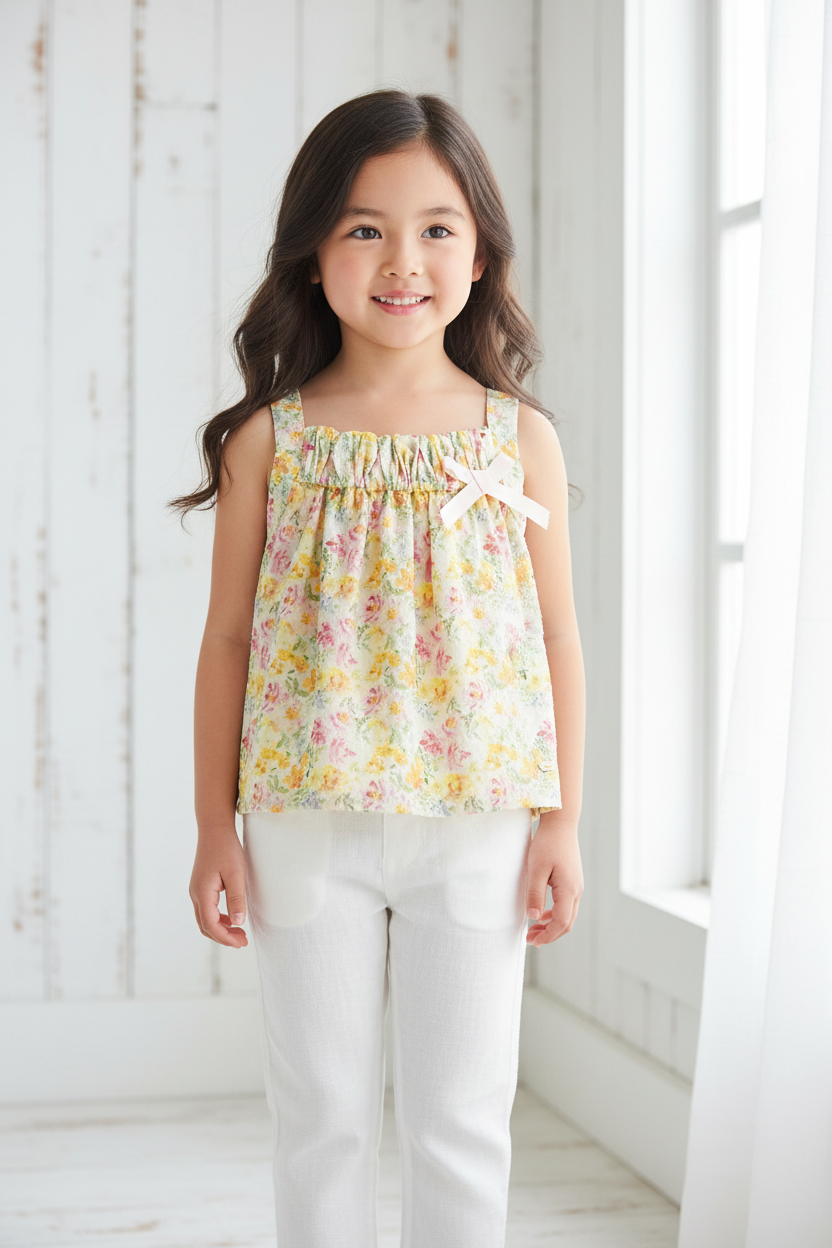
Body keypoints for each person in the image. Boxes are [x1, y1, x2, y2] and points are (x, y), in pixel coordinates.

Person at [171, 88, 585, 1248]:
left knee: (461, 1121)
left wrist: (560, 821)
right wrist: (216, 827)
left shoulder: (517, 439)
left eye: (436, 227)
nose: (402, 260)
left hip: (482, 823)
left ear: (480, 249)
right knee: (320, 1119)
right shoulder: (272, 440)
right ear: (312, 251)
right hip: (306, 817)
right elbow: (227, 644)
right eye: (364, 228)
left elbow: (556, 637)